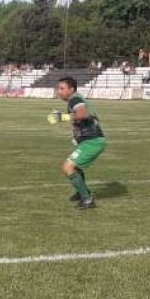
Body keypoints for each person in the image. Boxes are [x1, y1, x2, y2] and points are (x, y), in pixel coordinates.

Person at [52, 77, 106, 210]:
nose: (59, 91)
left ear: (71, 89)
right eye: (58, 88)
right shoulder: (75, 99)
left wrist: (63, 117)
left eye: (62, 88)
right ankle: (81, 192)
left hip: (92, 141)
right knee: (74, 167)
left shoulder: (74, 99)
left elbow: (82, 114)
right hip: (89, 140)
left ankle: (87, 199)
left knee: (68, 167)